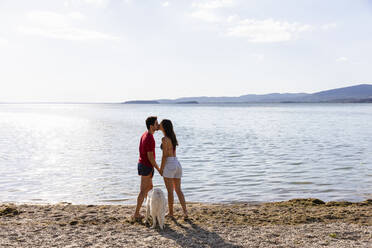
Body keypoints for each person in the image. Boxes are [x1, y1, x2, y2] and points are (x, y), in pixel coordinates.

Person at [133, 116, 161, 220]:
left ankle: (150, 211)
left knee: (150, 189)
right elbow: (150, 157)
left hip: (144, 165)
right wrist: (158, 168)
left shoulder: (145, 134)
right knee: (143, 191)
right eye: (156, 123)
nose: (158, 125)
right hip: (146, 166)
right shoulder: (149, 138)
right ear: (151, 126)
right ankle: (136, 213)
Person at [159, 119, 188, 218]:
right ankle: (185, 212)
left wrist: (161, 168)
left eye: (161, 124)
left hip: (169, 164)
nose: (159, 125)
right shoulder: (173, 137)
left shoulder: (164, 139)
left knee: (170, 191)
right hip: (177, 163)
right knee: (178, 190)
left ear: (164, 127)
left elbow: (164, 156)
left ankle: (171, 213)